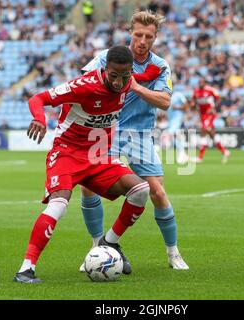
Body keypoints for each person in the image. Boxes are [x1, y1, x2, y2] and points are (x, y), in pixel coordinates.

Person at [14, 46, 151, 283]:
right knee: (59, 204)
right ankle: (26, 269)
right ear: (105, 69)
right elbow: (38, 98)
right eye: (114, 75)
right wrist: (39, 118)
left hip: (98, 157)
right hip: (67, 153)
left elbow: (149, 75)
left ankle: (109, 242)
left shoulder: (129, 82)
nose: (119, 82)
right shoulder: (84, 85)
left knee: (141, 190)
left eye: (125, 76)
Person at [79, 10, 189, 273]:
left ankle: (173, 253)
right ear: (130, 32)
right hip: (106, 131)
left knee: (158, 193)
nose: (142, 40)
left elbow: (165, 101)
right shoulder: (108, 58)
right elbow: (82, 84)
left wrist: (135, 86)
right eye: (138, 34)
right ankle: (98, 247)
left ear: (155, 37)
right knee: (87, 187)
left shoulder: (160, 66)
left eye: (148, 36)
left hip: (140, 134)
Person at [192, 78, 231, 164]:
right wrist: (193, 106)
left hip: (210, 114)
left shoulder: (210, 90)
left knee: (204, 131)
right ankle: (225, 151)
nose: (200, 84)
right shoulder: (196, 92)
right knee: (211, 134)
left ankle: (200, 157)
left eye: (202, 82)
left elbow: (219, 99)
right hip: (202, 115)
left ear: (205, 83)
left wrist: (214, 107)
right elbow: (194, 103)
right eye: (199, 82)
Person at [167, 90, 189, 164]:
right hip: (171, 120)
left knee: (171, 133)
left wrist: (177, 107)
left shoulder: (178, 94)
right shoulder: (167, 96)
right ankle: (183, 154)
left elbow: (186, 105)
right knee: (175, 136)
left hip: (177, 118)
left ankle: (182, 153)